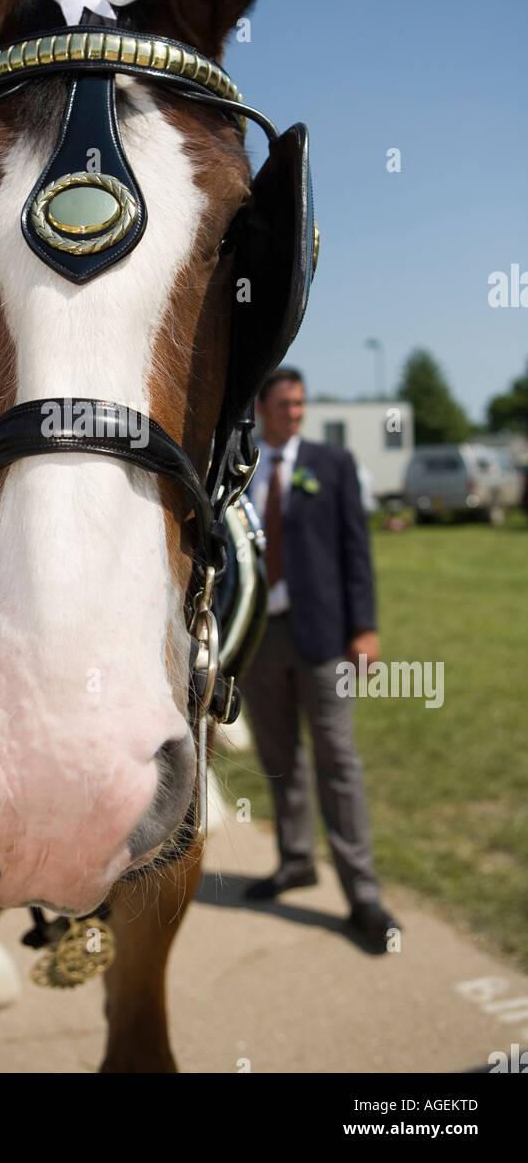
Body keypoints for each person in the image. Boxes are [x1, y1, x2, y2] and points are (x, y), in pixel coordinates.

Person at [240, 368, 400, 952]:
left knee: (338, 760)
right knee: (280, 759)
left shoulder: (331, 466)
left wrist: (365, 628)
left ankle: (363, 894)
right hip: (260, 639)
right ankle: (295, 860)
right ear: (261, 408)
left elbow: (356, 550)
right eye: (285, 404)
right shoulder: (242, 466)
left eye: (301, 403)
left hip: (325, 639)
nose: (295, 413)